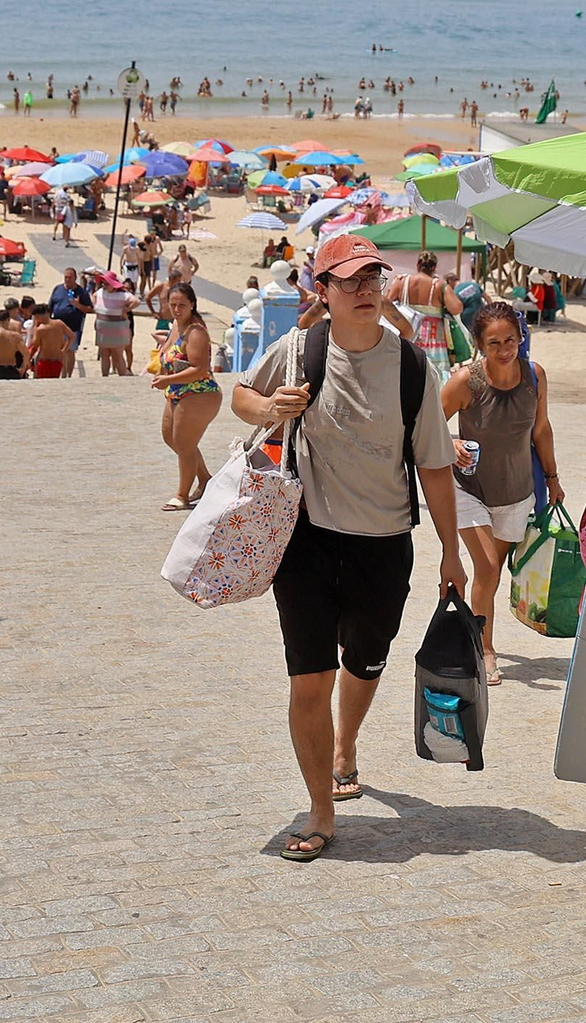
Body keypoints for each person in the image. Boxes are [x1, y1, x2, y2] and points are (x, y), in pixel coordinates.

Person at [231, 234, 466, 862]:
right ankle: (321, 808)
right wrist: (267, 407)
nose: (366, 290)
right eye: (350, 280)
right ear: (324, 292)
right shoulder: (299, 349)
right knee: (310, 679)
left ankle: (345, 745)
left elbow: (436, 468)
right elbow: (241, 396)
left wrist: (452, 552)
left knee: (365, 659)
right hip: (305, 540)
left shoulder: (414, 367)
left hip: (383, 544)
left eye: (373, 278)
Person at [440, 302, 561, 686]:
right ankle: (484, 650)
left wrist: (554, 478)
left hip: (516, 491)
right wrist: (450, 442)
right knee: (488, 567)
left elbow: (541, 430)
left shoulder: (534, 377)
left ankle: (458, 612)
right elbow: (424, 426)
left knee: (488, 576)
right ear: (479, 344)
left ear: (521, 337)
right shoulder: (466, 381)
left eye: (511, 339)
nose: (505, 349)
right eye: (494, 343)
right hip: (467, 490)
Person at [152, 283, 221, 510]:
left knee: (184, 443)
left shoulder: (196, 331)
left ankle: (182, 495)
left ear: (192, 304)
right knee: (171, 437)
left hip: (199, 392)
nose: (177, 309)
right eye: (173, 305)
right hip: (177, 390)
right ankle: (205, 479)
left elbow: (200, 368)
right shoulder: (176, 326)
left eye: (182, 305)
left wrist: (167, 380)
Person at [385, 249, 461, 375]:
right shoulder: (439, 286)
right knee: (435, 373)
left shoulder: (402, 282)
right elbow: (457, 307)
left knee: (409, 369)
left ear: (418, 265)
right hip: (434, 335)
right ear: (434, 267)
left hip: (408, 329)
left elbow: (387, 304)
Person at [48, 268, 95, 378]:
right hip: (58, 326)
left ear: (75, 278)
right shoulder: (58, 289)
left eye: (70, 278)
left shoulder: (81, 292)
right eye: (66, 277)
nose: (67, 280)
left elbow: (89, 309)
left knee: (70, 351)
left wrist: (77, 305)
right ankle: (60, 374)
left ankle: (68, 375)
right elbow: (51, 306)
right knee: (59, 351)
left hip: (73, 326)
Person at [92, 270, 138, 376]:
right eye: (103, 283)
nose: (104, 285)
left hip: (117, 328)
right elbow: (93, 296)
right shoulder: (100, 292)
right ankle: (105, 376)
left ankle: (122, 376)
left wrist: (126, 309)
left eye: (106, 283)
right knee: (104, 354)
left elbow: (136, 301)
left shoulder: (122, 294)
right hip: (103, 327)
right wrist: (96, 307)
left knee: (117, 354)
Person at [27, 303, 73, 378]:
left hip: (44, 361)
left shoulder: (40, 329)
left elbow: (35, 345)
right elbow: (71, 336)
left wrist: (28, 359)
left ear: (37, 316)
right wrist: (64, 350)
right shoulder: (59, 323)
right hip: (57, 360)